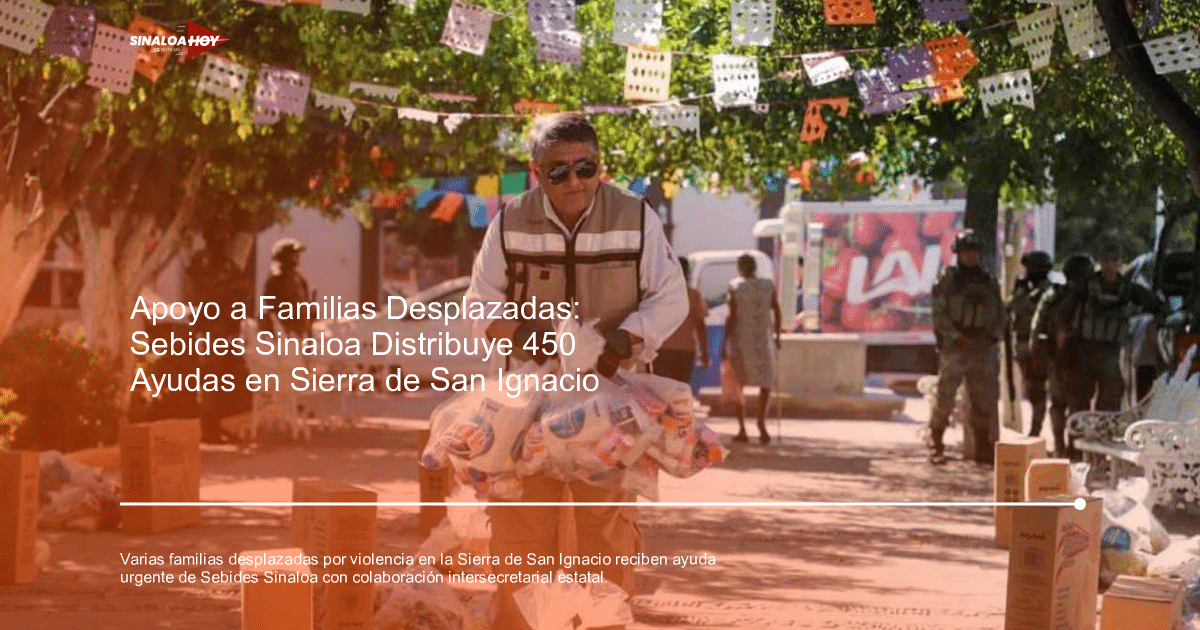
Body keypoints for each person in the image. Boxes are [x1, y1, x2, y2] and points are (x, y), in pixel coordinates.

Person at [464, 113, 687, 630]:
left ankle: (603, 623)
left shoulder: (636, 217)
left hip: (614, 401)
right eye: (558, 171)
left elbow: (669, 296)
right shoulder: (509, 219)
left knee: (605, 527)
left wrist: (625, 339)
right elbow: (480, 300)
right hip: (528, 402)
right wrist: (518, 335)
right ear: (534, 170)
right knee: (522, 524)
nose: (574, 182)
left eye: (584, 168)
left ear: (599, 166)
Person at [1056, 239, 1166, 414]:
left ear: (1120, 263)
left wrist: (1155, 325)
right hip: (1083, 350)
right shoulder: (1085, 286)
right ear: (1100, 261)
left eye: (1115, 261)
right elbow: (1065, 312)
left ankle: (1101, 436)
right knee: (1079, 401)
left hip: (1111, 352)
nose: (1111, 265)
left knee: (1110, 401)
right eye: (1107, 260)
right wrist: (1062, 338)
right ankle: (1077, 438)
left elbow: (1160, 307)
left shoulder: (1129, 290)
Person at [928, 229, 1005, 466]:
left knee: (984, 400)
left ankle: (983, 449)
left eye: (974, 252)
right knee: (945, 399)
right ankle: (936, 443)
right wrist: (959, 337)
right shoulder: (947, 282)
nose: (971, 257)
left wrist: (990, 338)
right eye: (966, 252)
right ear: (957, 254)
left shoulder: (989, 282)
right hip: (956, 348)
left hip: (982, 348)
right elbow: (939, 316)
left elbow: (1000, 315)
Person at [1030, 254, 1094, 457]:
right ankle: (1069, 448)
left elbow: (1037, 327)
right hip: (1066, 357)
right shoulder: (1074, 297)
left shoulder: (1056, 295)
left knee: (1065, 405)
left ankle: (1065, 448)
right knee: (1074, 405)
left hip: (1067, 357)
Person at [726, 253, 781, 445]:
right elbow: (777, 310)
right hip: (764, 340)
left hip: (742, 340)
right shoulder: (768, 286)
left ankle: (742, 428)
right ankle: (761, 423)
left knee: (739, 384)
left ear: (740, 268)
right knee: (766, 383)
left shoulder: (735, 287)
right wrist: (777, 337)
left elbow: (731, 316)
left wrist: (726, 340)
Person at [1008, 251, 1055, 440]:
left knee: (1043, 390)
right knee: (1032, 390)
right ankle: (1035, 429)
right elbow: (1011, 310)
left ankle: (1036, 430)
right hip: (1023, 343)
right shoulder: (1021, 289)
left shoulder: (1050, 290)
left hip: (1044, 346)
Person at [652, 256, 710, 384]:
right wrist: (705, 352)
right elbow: (700, 326)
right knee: (680, 392)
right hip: (686, 350)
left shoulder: (659, 295)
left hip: (662, 350)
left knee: (663, 392)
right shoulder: (693, 295)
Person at [260, 237, 315, 338]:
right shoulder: (278, 276)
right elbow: (273, 305)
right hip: (283, 332)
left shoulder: (297, 277)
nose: (297, 257)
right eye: (294, 254)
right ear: (285, 255)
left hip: (297, 331)